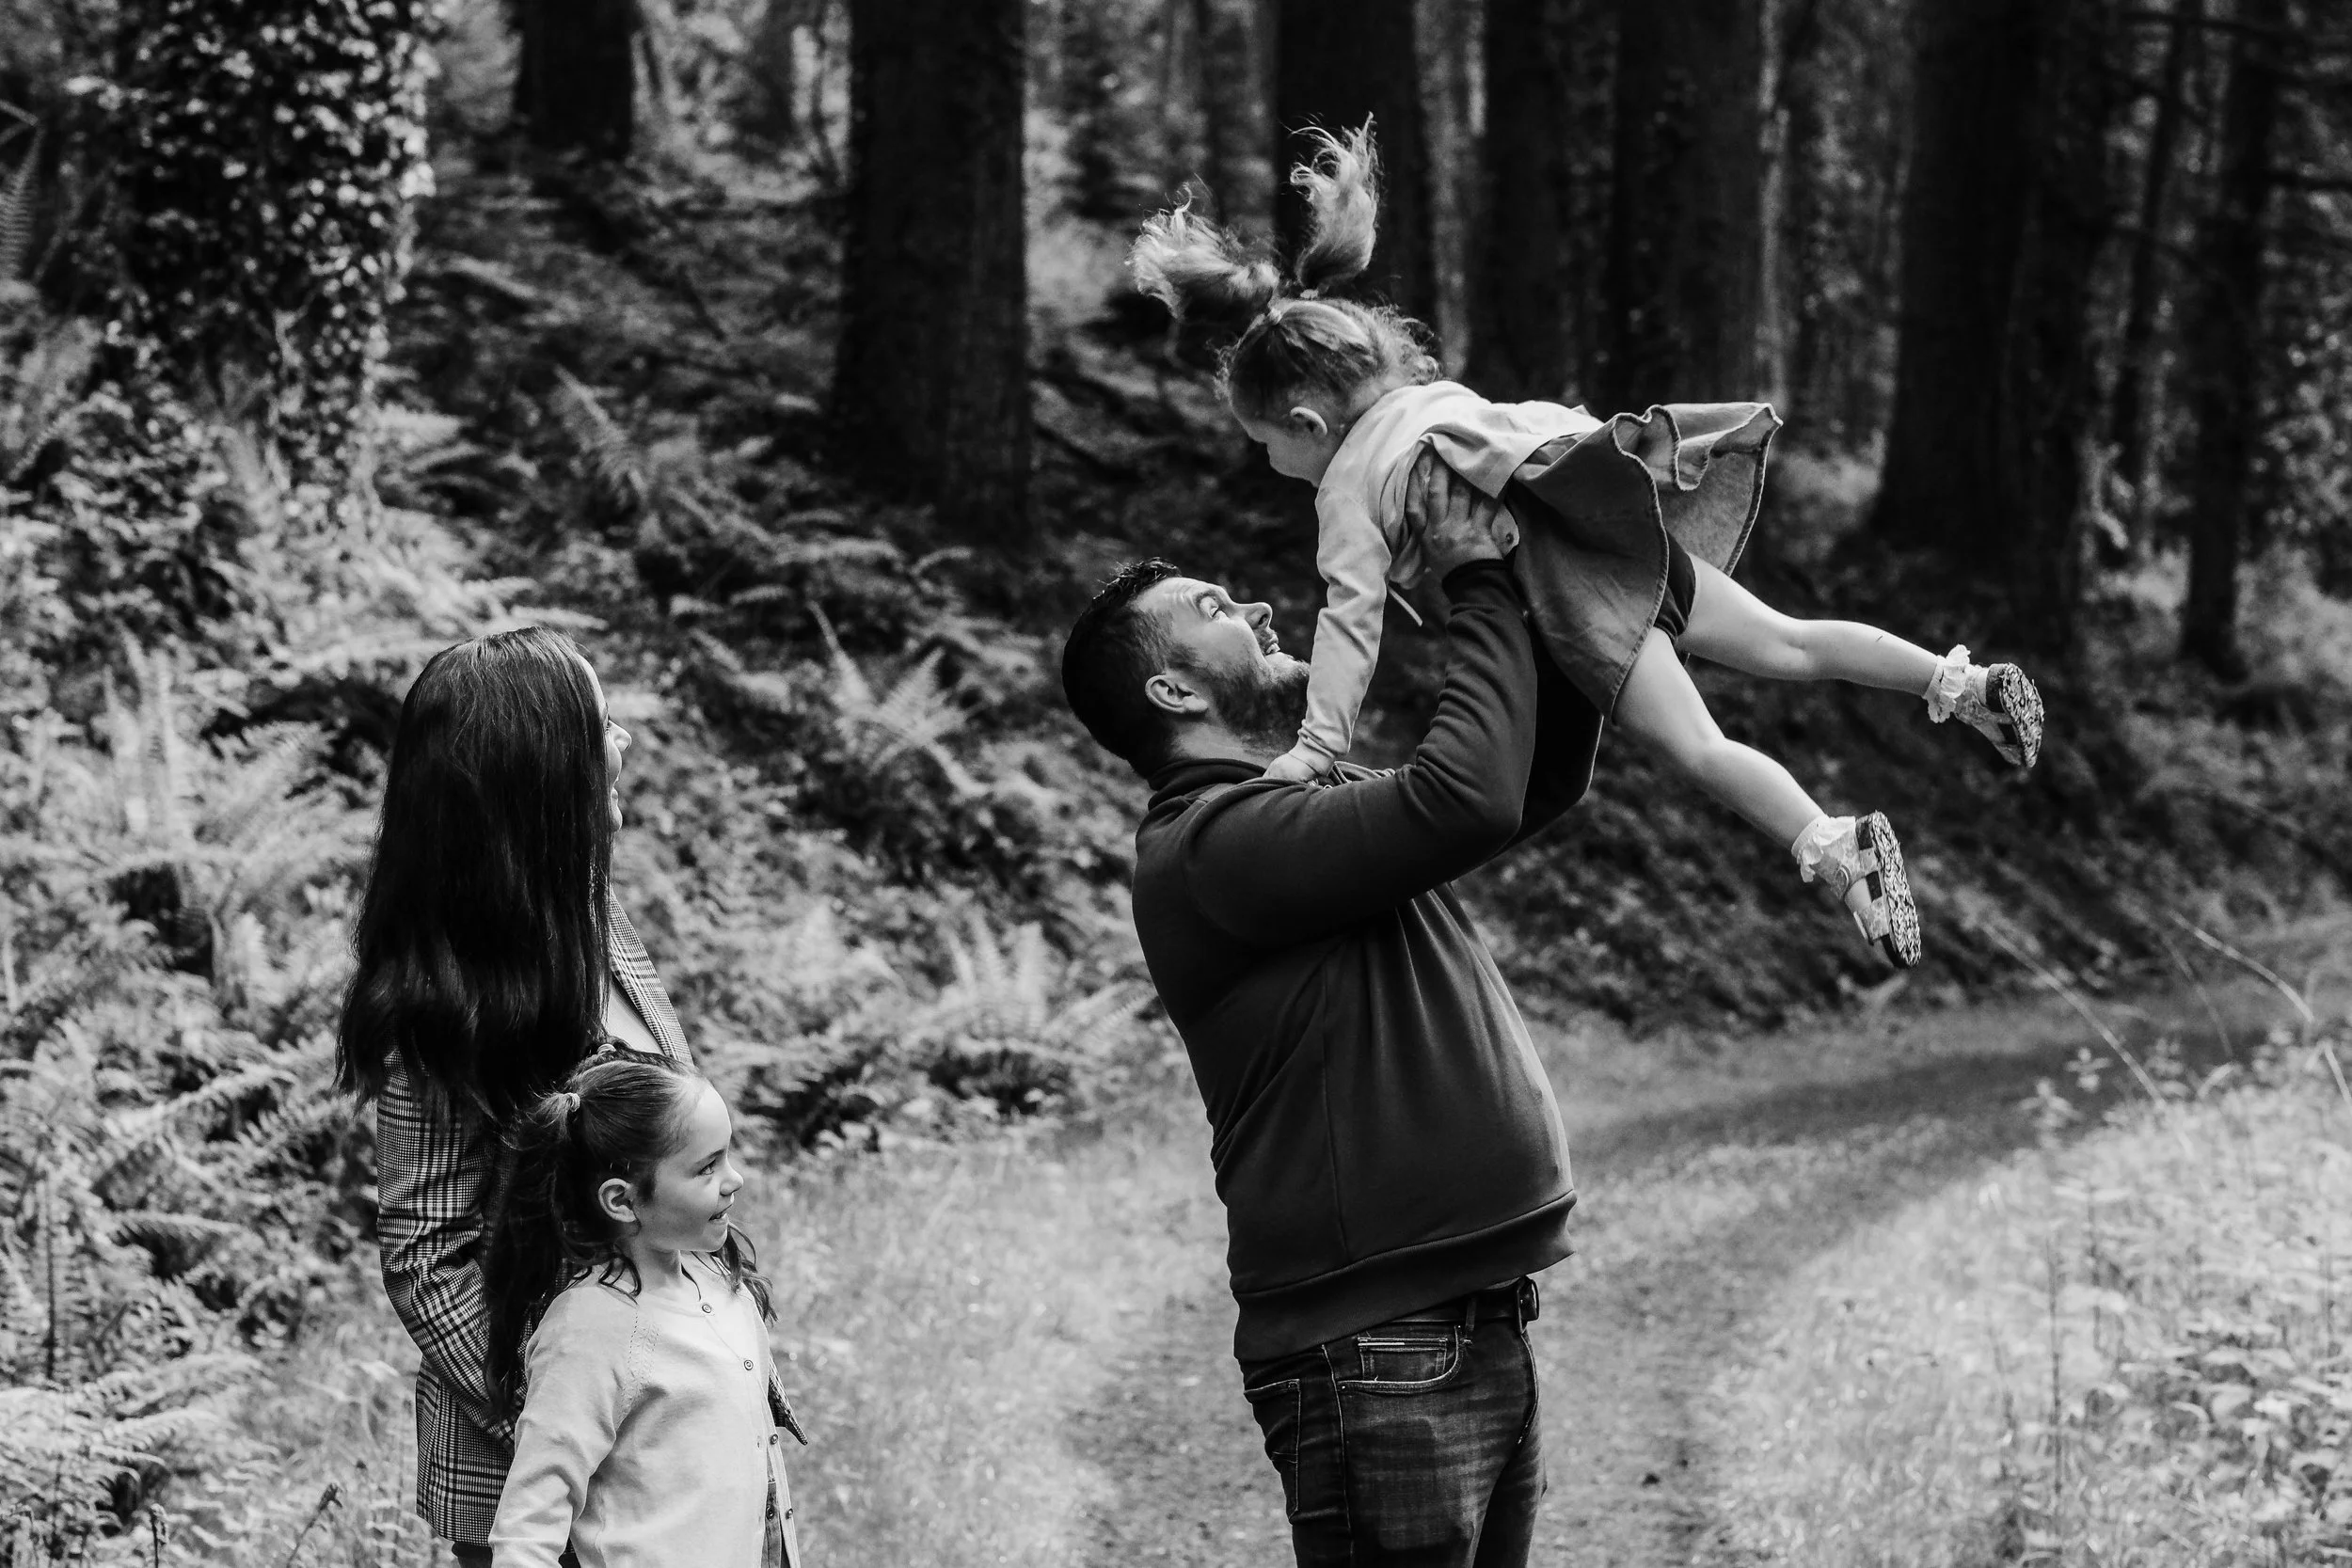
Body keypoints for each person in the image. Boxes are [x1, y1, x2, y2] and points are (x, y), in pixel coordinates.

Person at [1127, 122, 2050, 969]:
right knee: (1793, 640)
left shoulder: (1349, 486)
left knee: (1695, 744)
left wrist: (1316, 748)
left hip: (1576, 594)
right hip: (1619, 535)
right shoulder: (1432, 403)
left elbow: (1349, 622)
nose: (1272, 461)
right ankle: (1957, 683)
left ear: (1304, 419)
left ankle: (1833, 845)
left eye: (1267, 445)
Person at [1059, 454, 1603, 1567]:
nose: (1253, 602)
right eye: (1212, 608)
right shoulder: (1210, 846)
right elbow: (1468, 796)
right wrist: (1471, 585)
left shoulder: (1301, 810)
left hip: (1467, 1316)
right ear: (1173, 691)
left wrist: (1575, 589)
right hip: (1376, 1345)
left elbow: (1530, 782)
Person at [335, 626, 696, 1567]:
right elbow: (425, 1251)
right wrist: (567, 1422)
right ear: (538, 773)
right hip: (548, 1480)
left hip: (680, 1420)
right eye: (597, 722)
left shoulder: (589, 909)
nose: (622, 742)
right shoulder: (448, 990)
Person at [483, 1051, 803, 1568]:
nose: (734, 1178)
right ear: (622, 1200)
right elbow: (532, 1516)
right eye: (705, 1168)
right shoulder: (590, 1329)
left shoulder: (716, 1280)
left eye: (727, 1155)